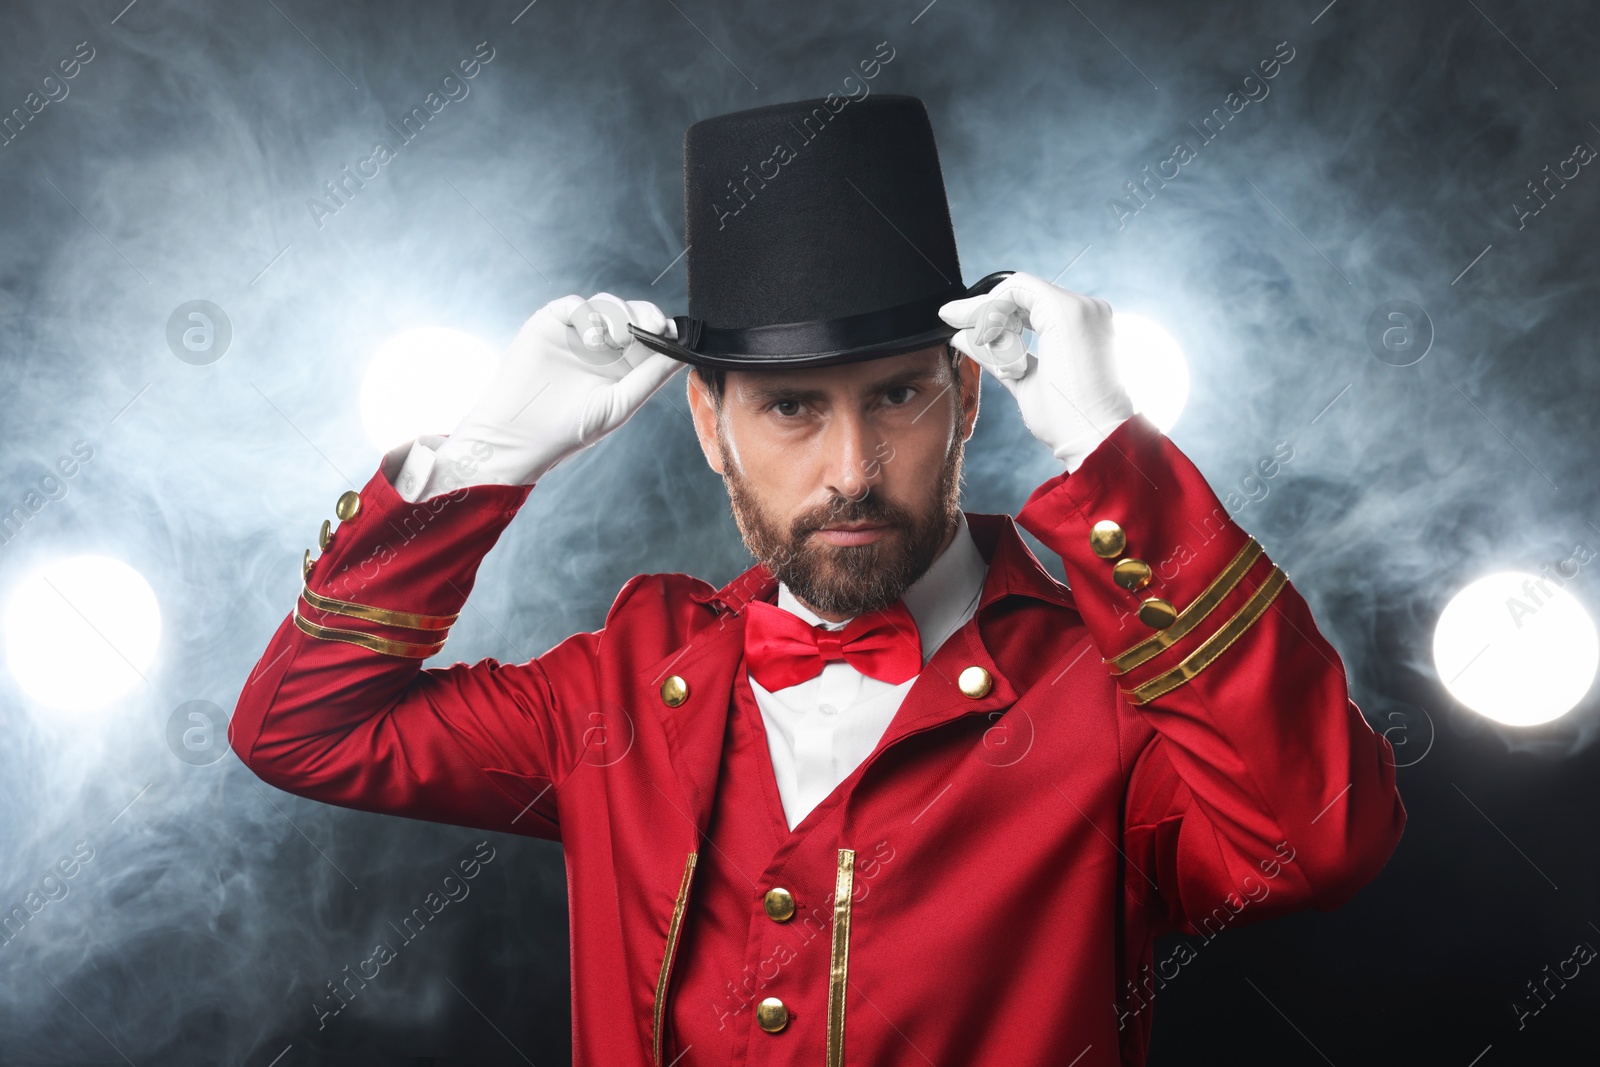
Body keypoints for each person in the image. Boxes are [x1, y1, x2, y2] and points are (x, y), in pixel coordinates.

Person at [232, 95, 1405, 1066]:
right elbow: (301, 728)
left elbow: (1318, 839)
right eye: (792, 407)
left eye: (896, 394)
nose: (852, 470)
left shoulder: (1108, 700)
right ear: (710, 423)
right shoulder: (623, 690)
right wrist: (481, 459)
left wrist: (1115, 451)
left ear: (970, 395)